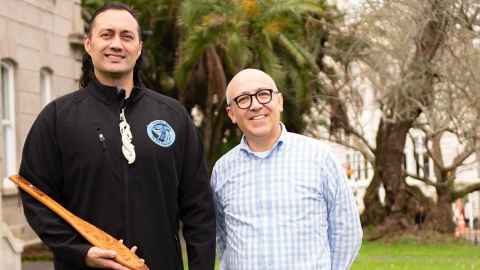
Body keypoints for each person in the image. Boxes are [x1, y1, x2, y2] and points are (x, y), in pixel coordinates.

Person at [19, 3, 215, 270]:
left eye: (126, 36)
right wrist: (81, 251)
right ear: (88, 44)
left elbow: (199, 209)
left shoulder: (173, 116)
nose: (116, 44)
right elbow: (35, 197)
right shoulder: (57, 118)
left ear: (139, 47)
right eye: (106, 34)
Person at [211, 69, 363, 270]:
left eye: (263, 94)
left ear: (279, 102)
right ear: (231, 113)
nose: (256, 105)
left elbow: (347, 231)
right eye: (243, 99)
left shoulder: (319, 158)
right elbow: (223, 238)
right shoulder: (222, 170)